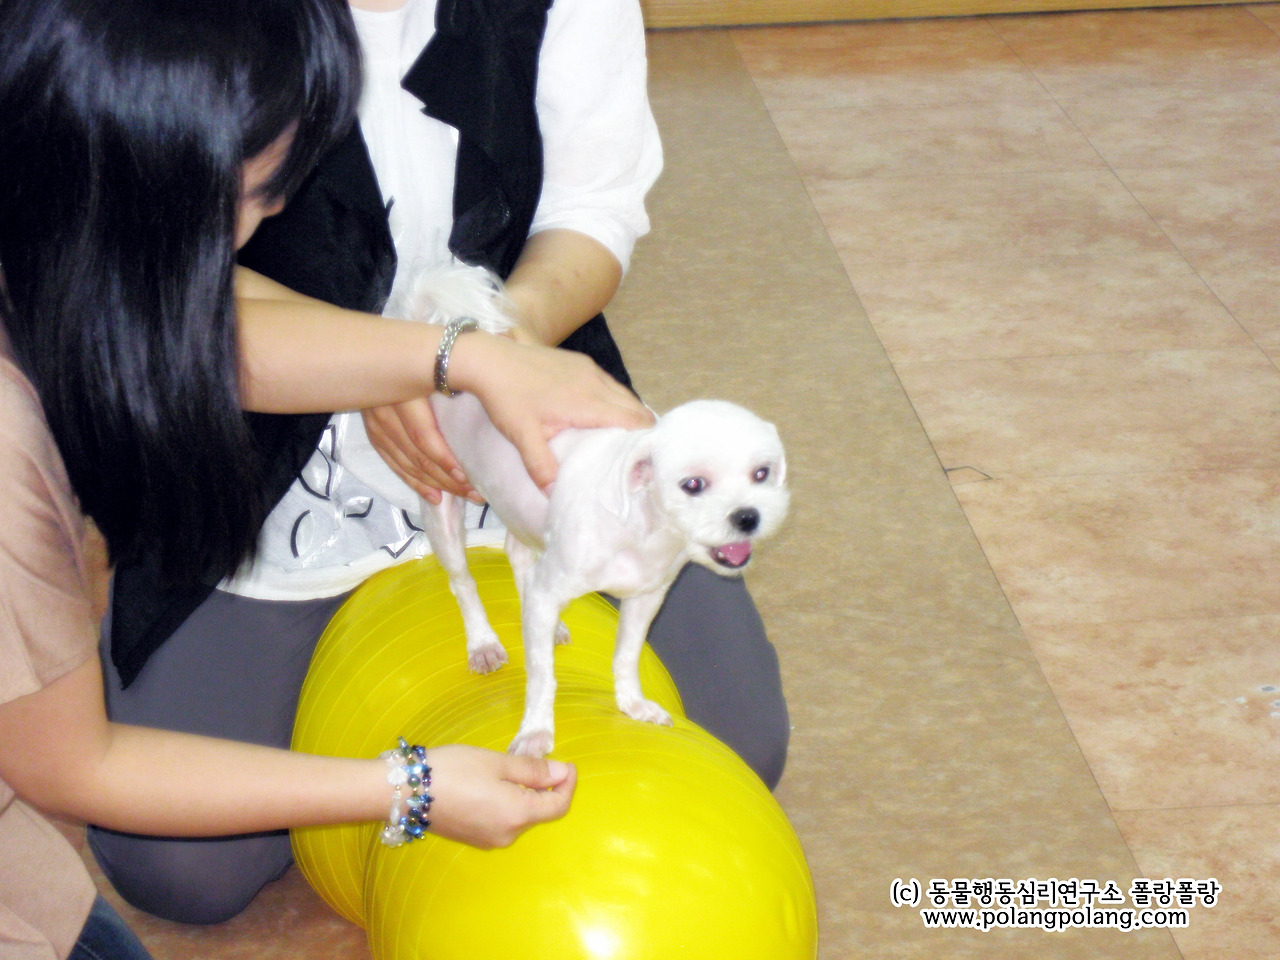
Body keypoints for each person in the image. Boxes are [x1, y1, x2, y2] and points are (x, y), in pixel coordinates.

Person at [94, 0, 792, 927]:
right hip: (266, 426)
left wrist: (495, 346)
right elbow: (149, 278)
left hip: (522, 396)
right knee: (184, 870)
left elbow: (591, 208)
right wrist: (385, 362)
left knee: (738, 745)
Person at [0, 0, 656, 954]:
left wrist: (459, 355)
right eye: (255, 197)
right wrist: (413, 787)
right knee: (163, 874)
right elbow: (72, 764)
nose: (261, 227)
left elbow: (216, 307)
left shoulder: (56, 234)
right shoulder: (10, 448)